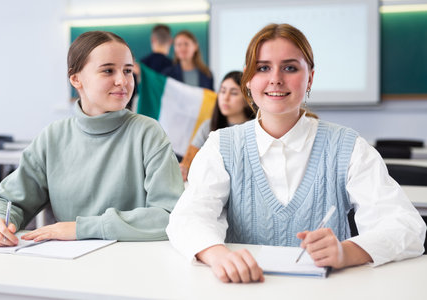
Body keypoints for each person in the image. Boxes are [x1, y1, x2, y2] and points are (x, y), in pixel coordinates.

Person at [166, 23, 426, 283]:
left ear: (310, 77)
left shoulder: (349, 147)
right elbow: (187, 218)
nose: (275, 78)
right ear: (248, 77)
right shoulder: (221, 146)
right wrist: (216, 254)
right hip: (243, 290)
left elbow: (407, 227)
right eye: (263, 67)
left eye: (290, 68)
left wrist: (345, 252)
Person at [0, 31, 184, 246]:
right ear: (76, 79)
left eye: (128, 71)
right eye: (108, 71)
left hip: (132, 264)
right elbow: (6, 201)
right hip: (68, 267)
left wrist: (81, 229)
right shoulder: (53, 137)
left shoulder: (148, 132)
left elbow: (170, 215)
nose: (122, 80)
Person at [179, 71, 255, 181]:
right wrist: (183, 169)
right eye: (222, 91)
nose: (225, 98)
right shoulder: (208, 126)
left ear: (247, 99)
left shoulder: (256, 128)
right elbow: (187, 163)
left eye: (233, 93)